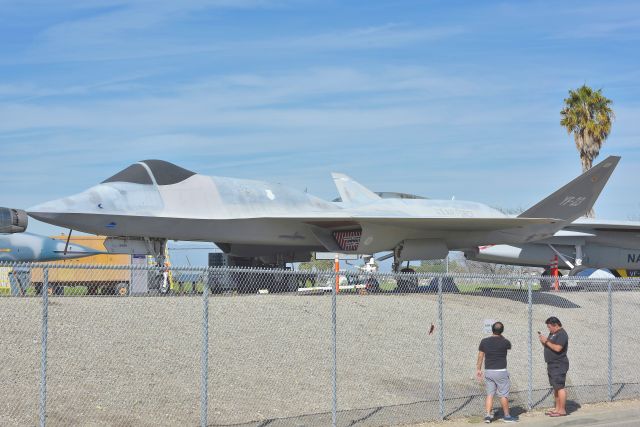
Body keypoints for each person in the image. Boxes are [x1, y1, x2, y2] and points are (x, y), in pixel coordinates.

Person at [476, 322, 518, 423]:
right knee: (503, 394)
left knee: (490, 394)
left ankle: (488, 416)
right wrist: (501, 336)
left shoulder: (484, 341)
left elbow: (480, 356)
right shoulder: (505, 342)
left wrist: (478, 369)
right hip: (501, 371)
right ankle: (507, 416)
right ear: (502, 331)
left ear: (492, 329)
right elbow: (509, 346)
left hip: (489, 371)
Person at [538, 316, 569, 417]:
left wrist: (546, 341)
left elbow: (558, 348)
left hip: (559, 364)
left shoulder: (562, 334)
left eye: (549, 327)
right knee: (555, 387)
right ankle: (557, 408)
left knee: (560, 387)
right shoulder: (553, 333)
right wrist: (543, 342)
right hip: (551, 363)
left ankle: (562, 410)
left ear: (555, 325)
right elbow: (549, 345)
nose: (549, 329)